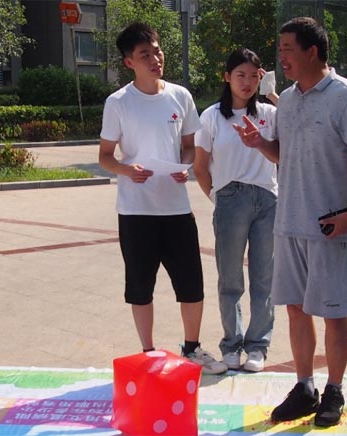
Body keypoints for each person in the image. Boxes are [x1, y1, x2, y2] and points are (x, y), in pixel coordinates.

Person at [233, 17, 347, 427]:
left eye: (288, 49)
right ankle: (304, 388)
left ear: (312, 52)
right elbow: (286, 153)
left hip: (330, 225)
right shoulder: (289, 101)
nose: (281, 57)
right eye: (280, 49)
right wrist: (260, 144)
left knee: (333, 311)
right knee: (296, 310)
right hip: (289, 222)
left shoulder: (346, 96)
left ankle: (334, 390)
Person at [98, 22, 227, 375]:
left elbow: (189, 147)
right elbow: (105, 156)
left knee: (191, 283)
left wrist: (185, 167)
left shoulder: (180, 96)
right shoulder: (118, 103)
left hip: (176, 208)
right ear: (129, 62)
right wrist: (127, 170)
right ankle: (148, 353)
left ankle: (192, 348)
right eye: (145, 55)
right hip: (136, 210)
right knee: (140, 286)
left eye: (157, 51)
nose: (155, 59)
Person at [194, 48, 278, 373]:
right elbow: (200, 167)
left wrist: (272, 93)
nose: (247, 82)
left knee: (263, 277)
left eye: (254, 76)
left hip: (267, 200)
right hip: (230, 199)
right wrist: (219, 198)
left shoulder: (269, 113)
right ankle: (231, 345)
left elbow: (288, 145)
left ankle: (257, 346)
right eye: (240, 75)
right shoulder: (212, 116)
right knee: (230, 277)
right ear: (227, 77)